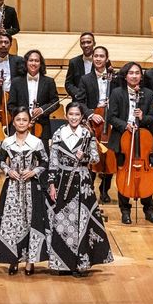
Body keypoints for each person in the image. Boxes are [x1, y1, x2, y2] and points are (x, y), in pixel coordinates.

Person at [47, 103, 113, 275]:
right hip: (63, 181)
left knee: (82, 222)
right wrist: (52, 184)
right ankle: (63, 263)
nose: (74, 117)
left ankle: (80, 263)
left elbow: (96, 159)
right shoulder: (58, 133)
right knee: (62, 223)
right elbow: (53, 161)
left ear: (82, 117)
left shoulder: (87, 134)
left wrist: (85, 156)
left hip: (82, 182)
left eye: (77, 114)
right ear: (66, 115)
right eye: (71, 114)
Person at [0, 108, 48, 274]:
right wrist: (8, 170)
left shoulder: (36, 142)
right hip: (12, 189)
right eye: (18, 120)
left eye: (24, 120)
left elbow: (45, 162)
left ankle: (30, 261)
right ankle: (12, 259)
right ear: (13, 122)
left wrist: (34, 171)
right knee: (12, 222)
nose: (21, 123)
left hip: (31, 189)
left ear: (29, 123)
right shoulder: (7, 142)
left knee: (30, 222)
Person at [108, 62, 153, 225]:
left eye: (137, 73)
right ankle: (125, 210)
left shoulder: (148, 93)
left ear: (141, 76)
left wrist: (143, 116)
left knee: (145, 176)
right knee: (124, 176)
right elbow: (111, 117)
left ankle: (148, 209)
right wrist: (125, 125)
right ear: (125, 76)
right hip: (123, 141)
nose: (134, 76)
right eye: (131, 73)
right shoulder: (117, 93)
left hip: (143, 142)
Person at [8, 49, 59, 142]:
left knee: (43, 156)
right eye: (31, 60)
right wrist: (23, 117)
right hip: (20, 125)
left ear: (41, 64)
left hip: (42, 126)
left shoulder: (49, 81)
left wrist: (42, 109)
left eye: (37, 61)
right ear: (26, 63)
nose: (33, 63)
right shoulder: (16, 81)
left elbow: (55, 102)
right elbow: (11, 105)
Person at [64, 32, 97, 99]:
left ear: (94, 43)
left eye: (88, 42)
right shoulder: (74, 62)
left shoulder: (101, 61)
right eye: (83, 43)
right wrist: (77, 93)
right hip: (79, 100)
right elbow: (69, 83)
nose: (85, 45)